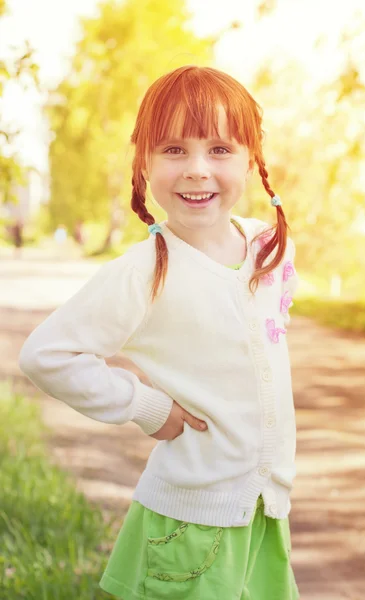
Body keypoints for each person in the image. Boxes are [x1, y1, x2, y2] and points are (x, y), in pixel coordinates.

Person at [18, 65, 300, 600]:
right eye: (173, 150)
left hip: (263, 511)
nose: (197, 169)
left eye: (219, 149)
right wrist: (147, 406)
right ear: (144, 162)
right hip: (192, 522)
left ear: (252, 159)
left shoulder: (268, 248)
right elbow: (46, 355)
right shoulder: (146, 270)